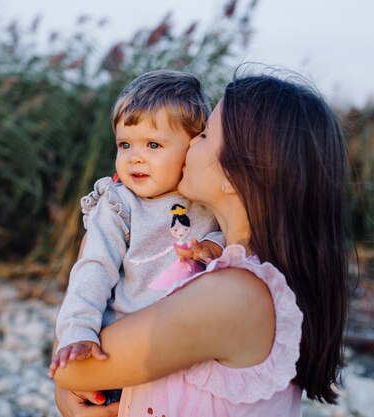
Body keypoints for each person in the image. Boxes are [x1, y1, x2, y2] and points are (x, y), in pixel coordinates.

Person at [51, 70, 349, 417]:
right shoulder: (247, 271)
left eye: (204, 134)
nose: (190, 142)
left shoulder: (232, 296)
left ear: (236, 175)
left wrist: (96, 241)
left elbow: (72, 369)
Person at [50, 70, 225, 389]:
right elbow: (94, 267)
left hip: (182, 351)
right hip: (120, 341)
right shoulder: (119, 205)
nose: (135, 158)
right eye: (125, 144)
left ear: (193, 146)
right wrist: (79, 330)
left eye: (153, 144)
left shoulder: (203, 200)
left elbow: (231, 233)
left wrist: (215, 245)